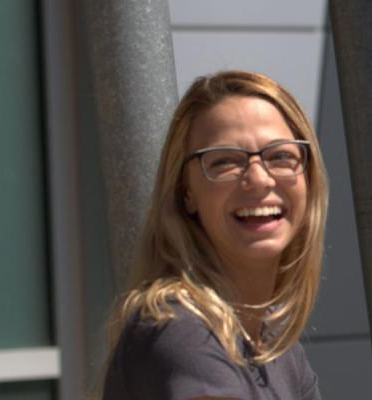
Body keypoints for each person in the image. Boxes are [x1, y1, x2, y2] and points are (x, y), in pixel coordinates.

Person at [100, 70, 327, 399]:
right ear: (186, 193)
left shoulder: (280, 352)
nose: (259, 179)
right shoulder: (181, 331)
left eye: (281, 156)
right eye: (224, 162)